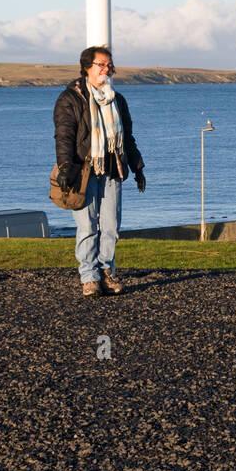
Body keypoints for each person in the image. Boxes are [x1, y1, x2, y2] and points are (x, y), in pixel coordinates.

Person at [54, 46, 146, 297]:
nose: (106, 70)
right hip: (83, 172)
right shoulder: (70, 98)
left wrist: (137, 167)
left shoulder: (118, 99)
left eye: (109, 65)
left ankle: (106, 271)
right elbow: (64, 136)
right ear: (87, 67)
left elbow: (128, 138)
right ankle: (89, 277)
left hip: (112, 169)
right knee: (86, 226)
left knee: (111, 226)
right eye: (101, 65)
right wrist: (64, 166)